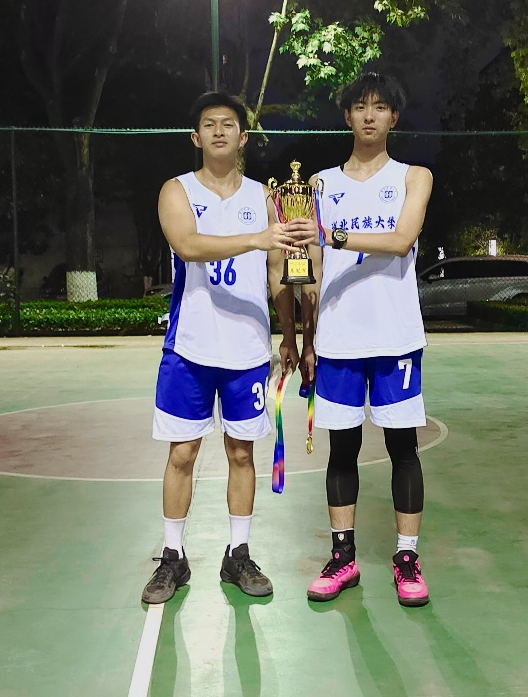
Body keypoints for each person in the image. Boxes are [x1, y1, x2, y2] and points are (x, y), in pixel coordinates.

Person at [142, 92, 316, 604]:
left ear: (243, 137)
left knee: (242, 452)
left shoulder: (266, 197)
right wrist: (256, 238)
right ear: (196, 138)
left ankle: (237, 554)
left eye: (229, 124)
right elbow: (188, 245)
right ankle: (173, 557)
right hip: (190, 347)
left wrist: (290, 333)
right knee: (183, 453)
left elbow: (278, 271)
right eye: (209, 124)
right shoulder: (177, 190)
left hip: (247, 349)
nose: (219, 131)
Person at [300, 72, 433, 607]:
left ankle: (407, 560)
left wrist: (332, 235)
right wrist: (305, 337)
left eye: (380, 107)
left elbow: (401, 240)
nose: (370, 115)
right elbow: (310, 269)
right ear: (348, 117)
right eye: (360, 107)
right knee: (342, 450)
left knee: (403, 448)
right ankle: (343, 558)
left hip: (395, 335)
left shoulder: (413, 176)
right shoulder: (318, 185)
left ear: (393, 117)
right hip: (338, 337)